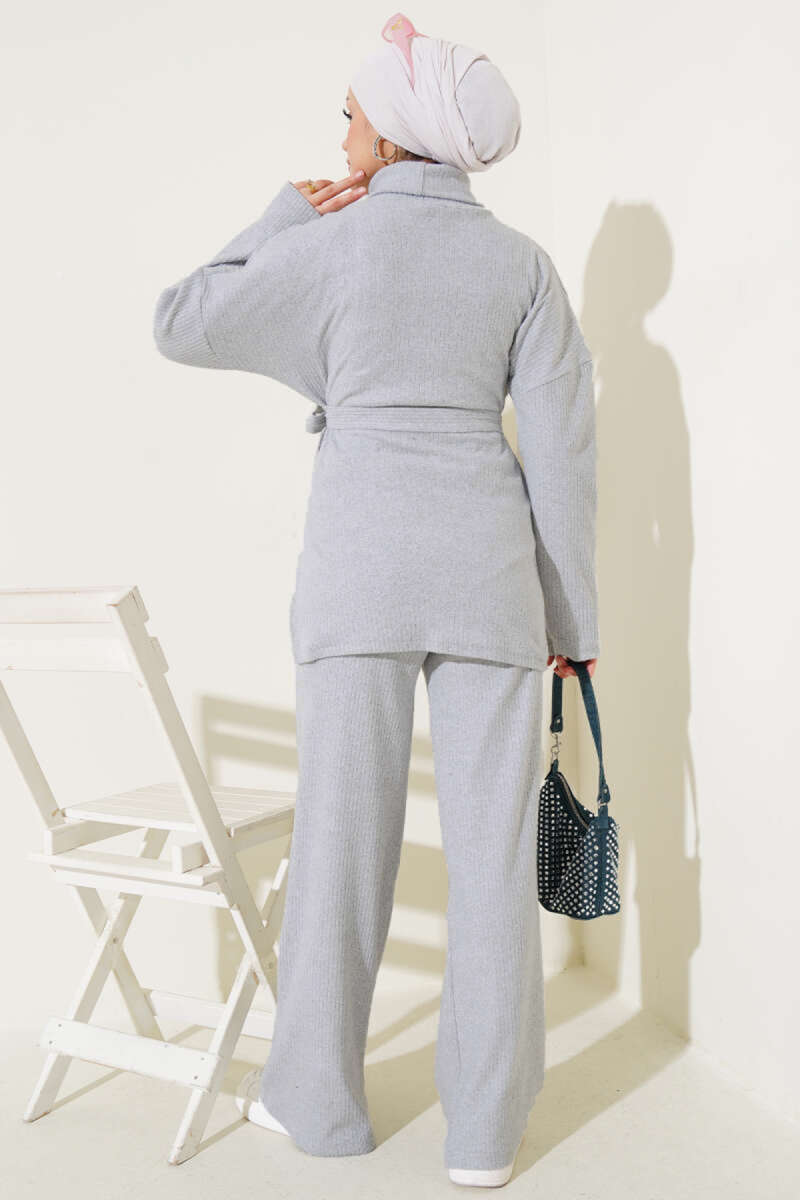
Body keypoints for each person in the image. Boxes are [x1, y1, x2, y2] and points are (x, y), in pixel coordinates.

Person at [153, 11, 599, 1189]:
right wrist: (573, 629)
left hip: (358, 576)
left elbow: (181, 320)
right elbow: (561, 455)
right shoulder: (521, 266)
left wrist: (284, 214)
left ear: (394, 134)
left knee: (342, 845)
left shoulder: (329, 246)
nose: (340, 133)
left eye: (350, 114)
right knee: (492, 864)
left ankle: (318, 1105)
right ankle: (484, 1139)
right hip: (489, 580)